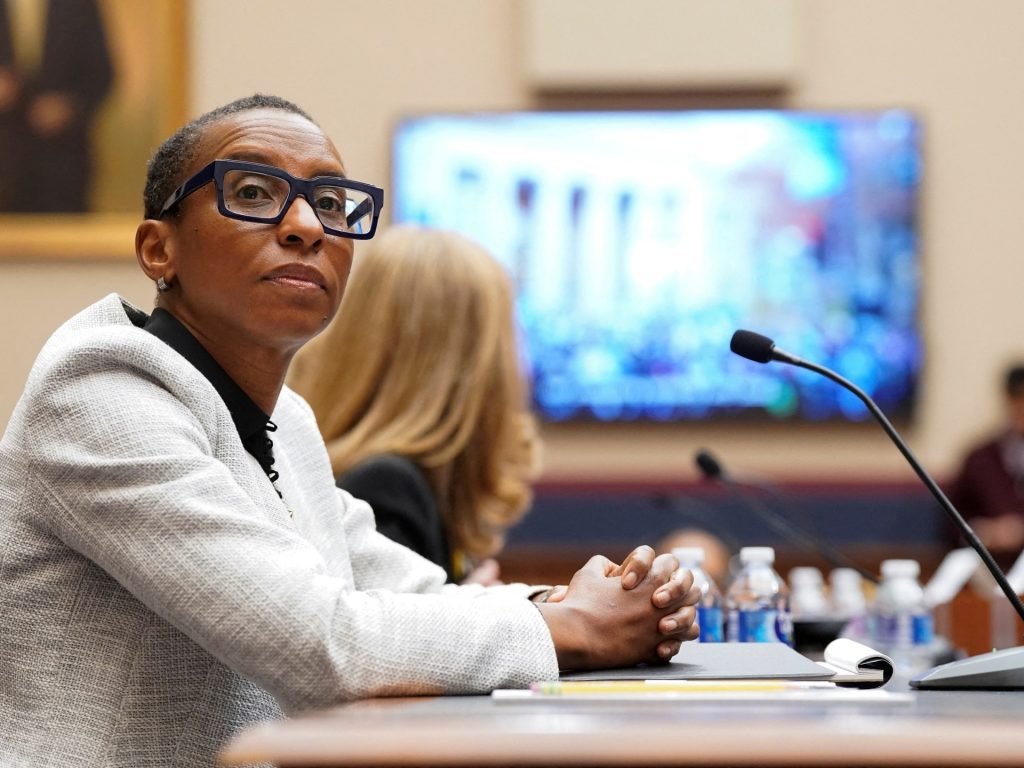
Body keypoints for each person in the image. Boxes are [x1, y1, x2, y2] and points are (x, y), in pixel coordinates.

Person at [0, 94, 700, 767]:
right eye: (253, 192)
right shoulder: (99, 389)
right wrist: (575, 627)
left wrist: (581, 602)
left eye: (332, 203)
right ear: (159, 250)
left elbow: (407, 592)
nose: (307, 226)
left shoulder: (286, 419)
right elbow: (318, 640)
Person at [289, 225, 538, 585]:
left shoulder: (397, 479)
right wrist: (478, 607)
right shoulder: (387, 488)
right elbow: (391, 620)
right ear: (473, 363)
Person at [0, 0, 114, 212]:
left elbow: (102, 72)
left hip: (62, 163)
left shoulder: (78, 5)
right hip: (6, 163)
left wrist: (69, 107)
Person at [946, 363, 1024, 560]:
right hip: (991, 565)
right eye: (1018, 399)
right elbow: (952, 524)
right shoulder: (980, 459)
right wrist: (984, 532)